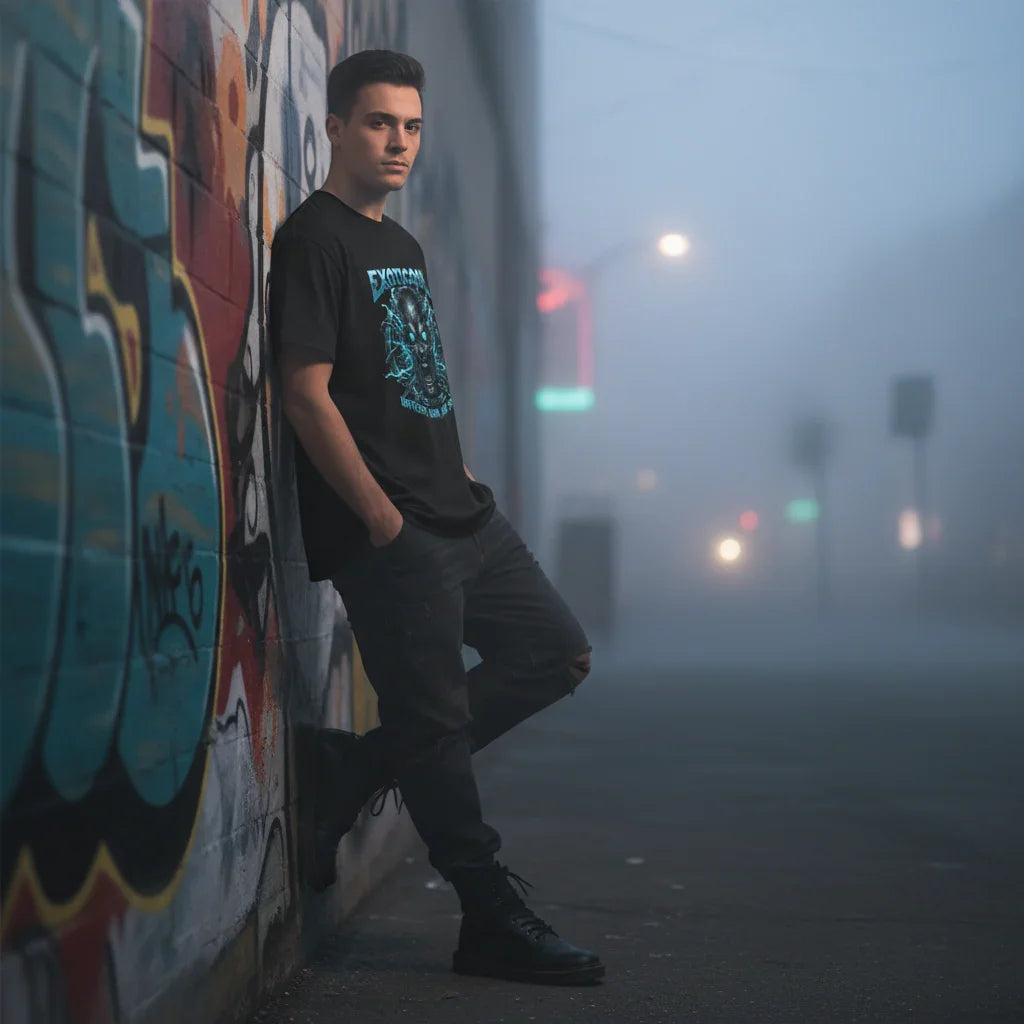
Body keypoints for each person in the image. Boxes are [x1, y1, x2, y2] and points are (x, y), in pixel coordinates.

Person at [268, 49, 602, 986]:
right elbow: (304, 394)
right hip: (394, 535)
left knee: (557, 654)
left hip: (462, 517)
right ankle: (489, 916)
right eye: (380, 123)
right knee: (436, 723)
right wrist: (381, 520)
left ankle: (355, 769)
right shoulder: (313, 240)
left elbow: (414, 385)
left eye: (411, 127)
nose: (399, 143)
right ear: (337, 127)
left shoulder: (402, 246)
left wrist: (460, 479)